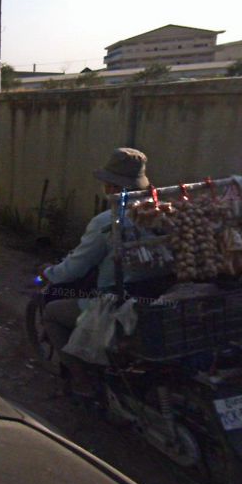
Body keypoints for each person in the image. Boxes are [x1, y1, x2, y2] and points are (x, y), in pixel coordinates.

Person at [40, 148, 162, 361]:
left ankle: (81, 376)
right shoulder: (160, 214)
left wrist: (49, 273)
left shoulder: (108, 221)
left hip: (118, 302)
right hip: (157, 295)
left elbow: (75, 267)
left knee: (52, 312)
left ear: (112, 186)